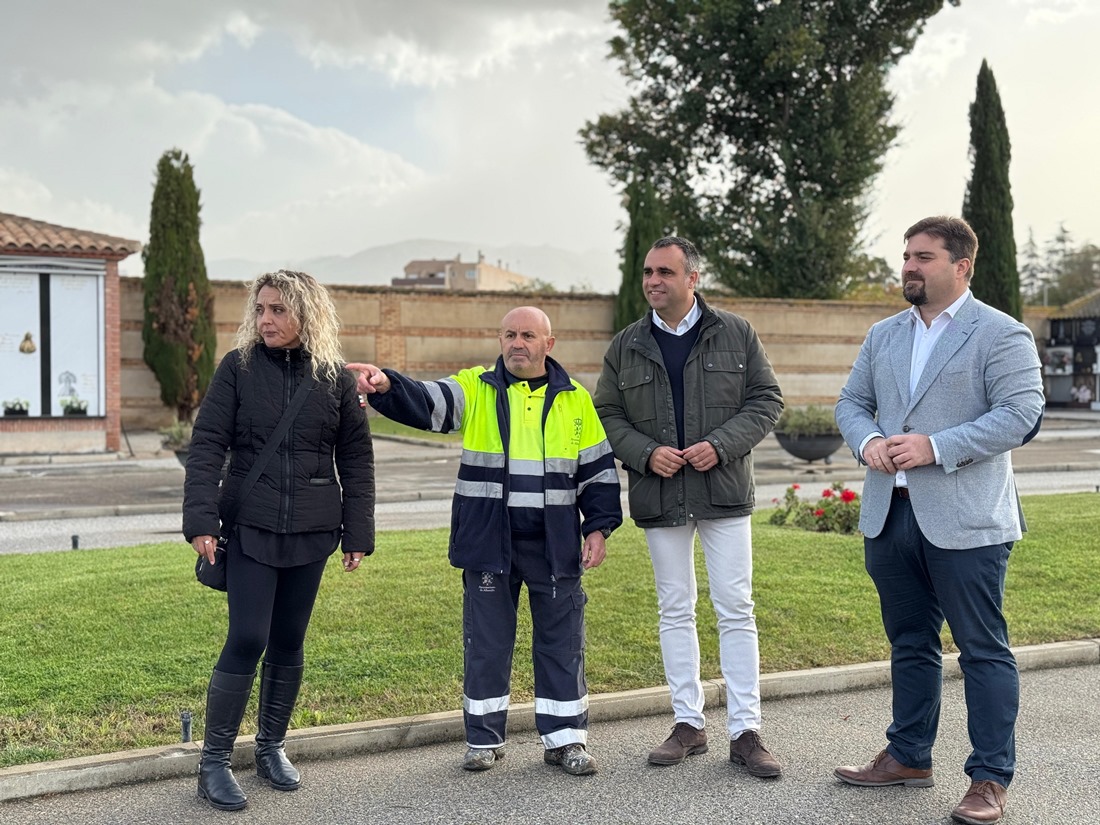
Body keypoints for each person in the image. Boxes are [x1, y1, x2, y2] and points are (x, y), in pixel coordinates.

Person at [347, 306, 621, 776]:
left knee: (562, 644)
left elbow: (597, 470)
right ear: (500, 340)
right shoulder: (477, 387)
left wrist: (598, 526)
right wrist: (387, 383)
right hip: (490, 541)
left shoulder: (575, 399)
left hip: (554, 544)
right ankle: (483, 740)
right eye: (510, 334)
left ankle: (566, 741)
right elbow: (429, 400)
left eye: (528, 335)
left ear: (548, 344)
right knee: (487, 644)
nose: (518, 343)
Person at [833, 216, 1044, 825]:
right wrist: (868, 440)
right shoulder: (884, 333)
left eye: (923, 257)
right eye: (907, 256)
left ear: (961, 266)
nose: (909, 266)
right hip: (889, 514)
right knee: (909, 643)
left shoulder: (1000, 333)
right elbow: (852, 402)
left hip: (967, 521)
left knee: (982, 649)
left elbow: (1022, 414)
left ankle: (989, 779)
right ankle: (908, 756)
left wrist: (936, 446)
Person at [184, 270, 375, 811]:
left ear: (306, 314)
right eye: (261, 309)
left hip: (313, 530)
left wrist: (358, 533)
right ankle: (214, 763)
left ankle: (271, 747)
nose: (265, 319)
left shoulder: (334, 378)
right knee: (248, 637)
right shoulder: (238, 368)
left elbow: (356, 460)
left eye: (278, 310)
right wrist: (201, 519)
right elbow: (207, 445)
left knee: (289, 640)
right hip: (251, 526)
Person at [594, 236, 785, 778]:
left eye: (665, 272)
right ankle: (687, 724)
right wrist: (644, 453)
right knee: (674, 608)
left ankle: (746, 731)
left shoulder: (736, 332)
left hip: (723, 492)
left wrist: (720, 445)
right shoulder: (626, 344)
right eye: (648, 272)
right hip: (659, 492)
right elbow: (606, 412)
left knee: (736, 607)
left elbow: (767, 400)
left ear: (692, 278)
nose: (653, 281)